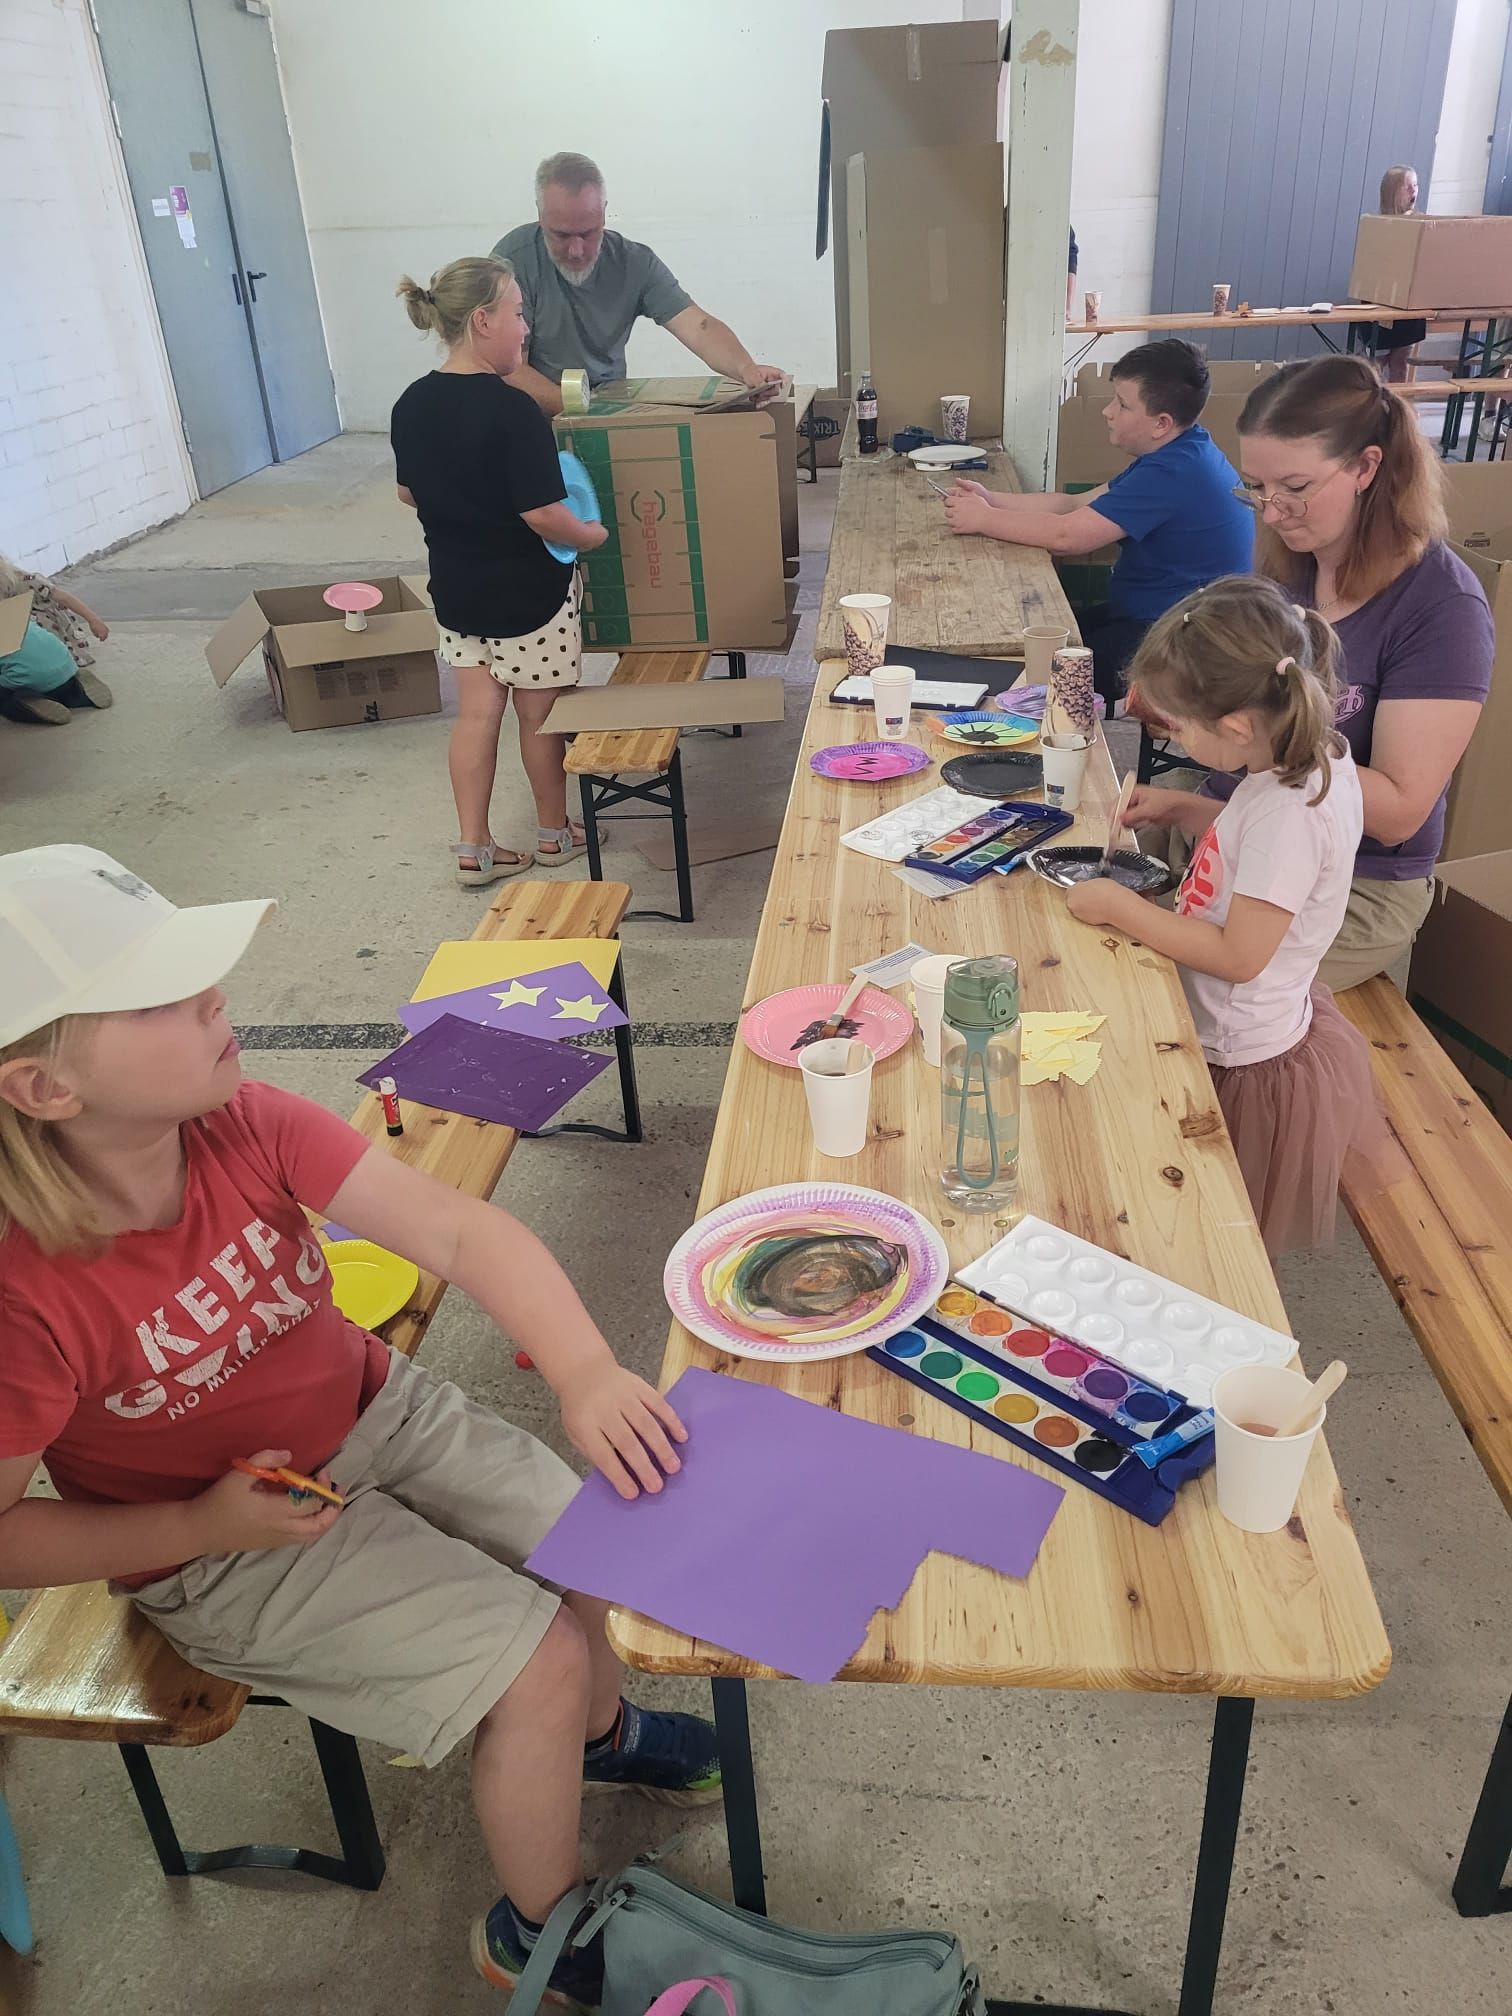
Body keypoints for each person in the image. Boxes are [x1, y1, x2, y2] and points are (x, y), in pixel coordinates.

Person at [0, 844, 721, 2005]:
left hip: (378, 1407)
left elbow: (461, 1233)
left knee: (596, 1540)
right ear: (44, 1088)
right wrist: (198, 1523)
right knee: (536, 1662)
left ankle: (597, 1738)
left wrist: (585, 1369)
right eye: (162, 998)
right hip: (223, 1543)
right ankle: (536, 1932)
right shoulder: (22, 1298)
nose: (214, 997)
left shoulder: (241, 1117)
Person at [1062, 581, 1400, 1253]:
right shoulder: (1311, 758)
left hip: (1238, 1054)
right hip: (1236, 1024)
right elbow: (1266, 852)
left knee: (1209, 1231)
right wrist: (1186, 809)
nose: (1172, 735)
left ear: (1238, 726)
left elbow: (1239, 956)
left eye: (1178, 725)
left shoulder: (1288, 808)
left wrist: (1121, 906)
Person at [1222, 353, 1491, 989]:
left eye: (1295, 487)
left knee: (1171, 990)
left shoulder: (1443, 608)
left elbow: (1398, 812)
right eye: (1255, 487)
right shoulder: (1293, 559)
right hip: (1248, 824)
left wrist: (1253, 737)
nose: (1271, 512)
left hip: (1357, 880)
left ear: (1366, 468)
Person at [392, 257, 606, 888]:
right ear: (482, 321)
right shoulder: (514, 411)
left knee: (476, 716)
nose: (525, 328)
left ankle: (474, 847)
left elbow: (408, 493)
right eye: (517, 313)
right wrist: (590, 535)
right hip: (528, 598)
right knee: (539, 718)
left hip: (457, 595)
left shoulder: (411, 403)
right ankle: (554, 833)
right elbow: (543, 513)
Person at [943, 339, 1254, 704]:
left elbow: (1067, 537)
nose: (1108, 411)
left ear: (1161, 423)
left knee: (1030, 677)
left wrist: (984, 519)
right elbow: (1072, 504)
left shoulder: (1174, 471)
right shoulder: (1182, 451)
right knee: (1034, 643)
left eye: (1122, 404)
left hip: (1179, 644)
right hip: (1158, 618)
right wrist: (992, 500)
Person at [492, 152, 785, 415]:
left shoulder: (634, 263)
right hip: (532, 414)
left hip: (605, 407)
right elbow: (509, 367)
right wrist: (577, 410)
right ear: (539, 215)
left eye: (589, 233)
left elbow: (698, 326)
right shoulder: (511, 263)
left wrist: (747, 369)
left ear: (604, 213)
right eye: (561, 235)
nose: (576, 250)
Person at [0, 555, 112, 726]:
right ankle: (78, 691)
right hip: (64, 659)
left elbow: (62, 596)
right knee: (39, 668)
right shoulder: (16, 615)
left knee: (8, 695)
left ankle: (27, 703)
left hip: (34, 671)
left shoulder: (26, 582)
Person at [1370, 167, 1427, 385]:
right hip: (1383, 303)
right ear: (1393, 191)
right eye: (1407, 186)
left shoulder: (1422, 223)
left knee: (1400, 364)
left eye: (1416, 185)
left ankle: (1399, 403)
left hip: (1409, 307)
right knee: (1375, 364)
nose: (1414, 191)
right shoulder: (1378, 226)